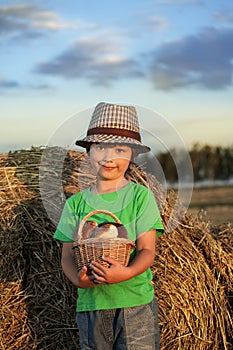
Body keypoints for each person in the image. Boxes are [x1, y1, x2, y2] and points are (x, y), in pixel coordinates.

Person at [54, 102, 164, 349]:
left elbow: (147, 250)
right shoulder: (75, 204)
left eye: (119, 149)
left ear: (132, 155)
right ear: (88, 152)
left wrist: (125, 273)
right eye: (100, 147)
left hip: (135, 304)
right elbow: (66, 255)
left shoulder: (140, 197)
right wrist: (79, 281)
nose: (108, 157)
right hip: (91, 306)